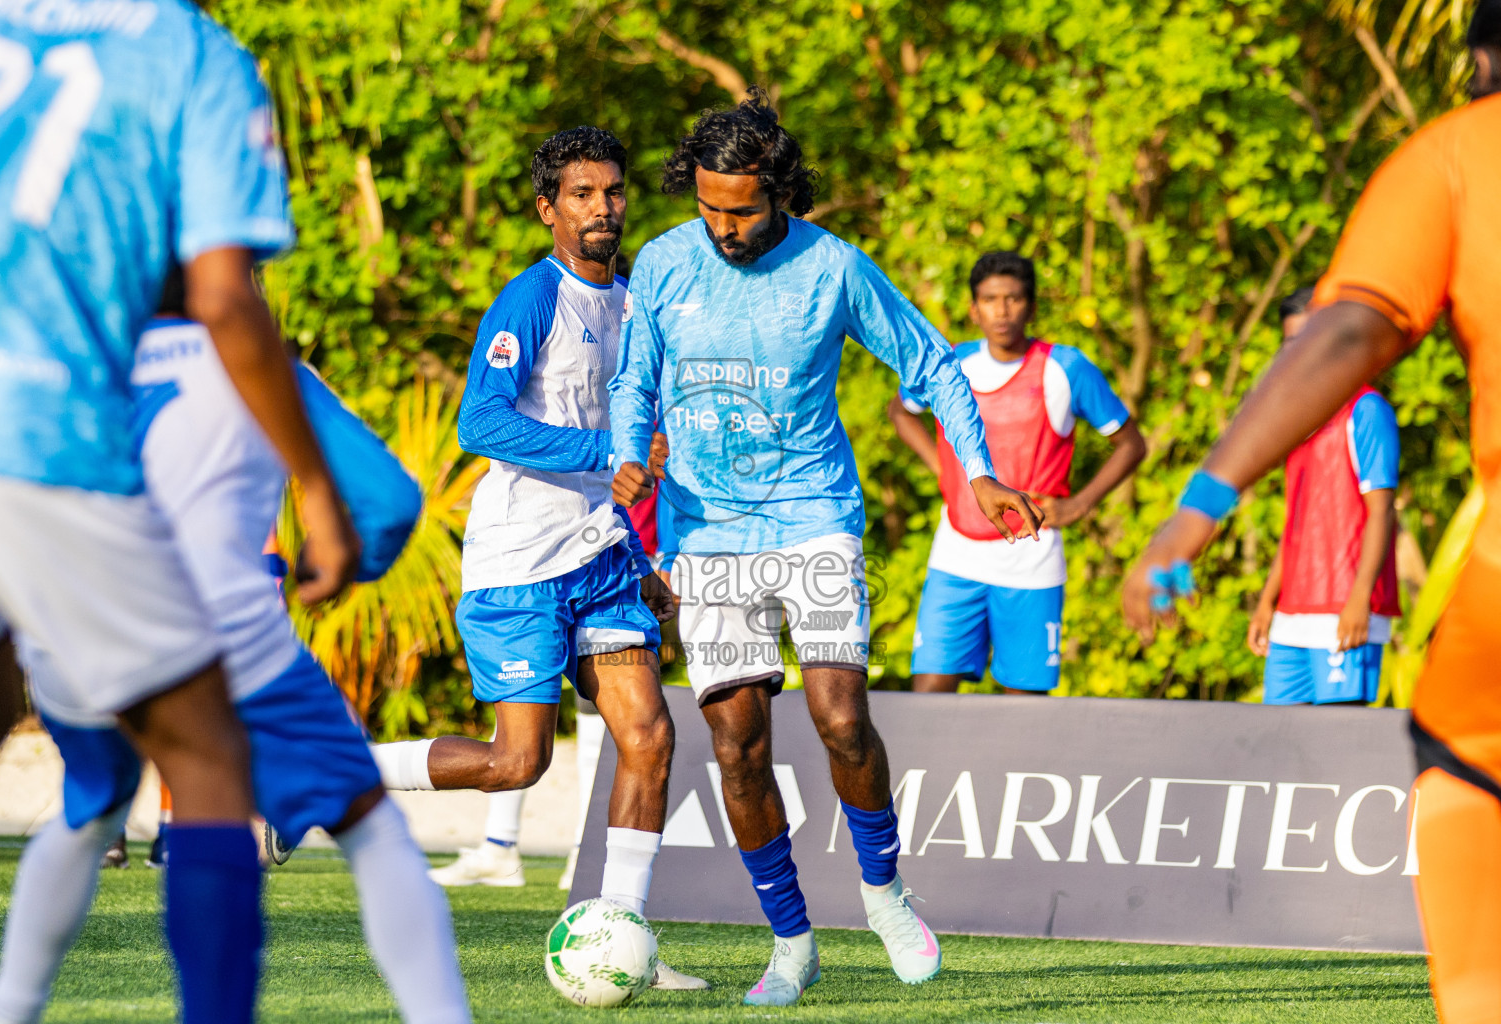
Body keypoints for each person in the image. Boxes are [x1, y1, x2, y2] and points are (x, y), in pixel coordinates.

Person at [0, 4, 358, 1021]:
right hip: (32, 433)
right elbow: (228, 297)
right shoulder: (187, 52)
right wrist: (316, 485)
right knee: (207, 752)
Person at [610, 89, 1042, 1006]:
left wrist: (980, 473)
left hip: (813, 516)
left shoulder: (834, 268)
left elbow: (932, 366)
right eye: (709, 207)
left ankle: (885, 895)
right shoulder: (661, 264)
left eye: (743, 209)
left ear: (781, 192)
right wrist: (624, 462)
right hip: (708, 533)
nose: (725, 227)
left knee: (842, 718)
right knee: (736, 748)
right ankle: (791, 941)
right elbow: (632, 381)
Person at [1123, 5, 1501, 1019]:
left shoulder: (1460, 154)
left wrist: (1194, 509)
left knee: (1467, 775)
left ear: (1479, 53)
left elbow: (1353, 336)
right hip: (1304, 600)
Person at [0, 285, 471, 1024]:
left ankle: (8, 1010)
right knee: (371, 831)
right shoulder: (260, 367)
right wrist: (338, 565)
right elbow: (392, 505)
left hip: (72, 640)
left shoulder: (66, 360)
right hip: (222, 640)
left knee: (91, 811)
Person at [371, 127, 704, 991]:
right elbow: (479, 423)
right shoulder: (530, 299)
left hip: (603, 559)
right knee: (518, 763)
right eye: (583, 195)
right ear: (548, 207)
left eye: (614, 192)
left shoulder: (638, 305)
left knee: (649, 737)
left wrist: (654, 552)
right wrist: (603, 449)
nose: (603, 208)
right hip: (519, 562)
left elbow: (655, 453)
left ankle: (623, 936)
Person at [889, 251, 1145, 695]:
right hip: (956, 555)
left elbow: (1132, 445)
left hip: (1032, 559)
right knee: (928, 696)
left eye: (1013, 299)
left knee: (1023, 709)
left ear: (1031, 306)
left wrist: (1081, 504)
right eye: (990, 299)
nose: (1001, 310)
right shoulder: (950, 363)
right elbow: (901, 411)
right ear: (974, 308)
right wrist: (942, 469)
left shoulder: (1066, 368)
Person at [1245, 286, 1401, 706]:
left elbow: (1381, 511)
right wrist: (1268, 600)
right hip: (1292, 613)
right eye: (1289, 344)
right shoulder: (1298, 417)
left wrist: (1359, 601)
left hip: (1343, 608)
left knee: (1337, 748)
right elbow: (1297, 523)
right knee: (1280, 738)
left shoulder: (1367, 411)